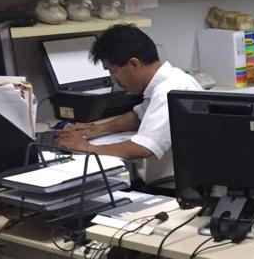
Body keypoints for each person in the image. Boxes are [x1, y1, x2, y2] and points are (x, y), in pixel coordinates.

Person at [57, 24, 201, 184]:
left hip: (177, 185)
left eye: (113, 71)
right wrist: (96, 129)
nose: (113, 80)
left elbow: (143, 148)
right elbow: (138, 117)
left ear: (134, 64)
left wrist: (87, 148)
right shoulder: (170, 80)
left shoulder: (169, 91)